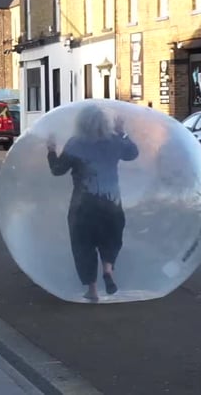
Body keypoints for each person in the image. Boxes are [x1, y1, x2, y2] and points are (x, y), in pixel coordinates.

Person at [46, 106, 139, 302]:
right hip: (111, 203)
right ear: (105, 123)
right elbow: (132, 153)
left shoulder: (75, 144)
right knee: (111, 239)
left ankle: (93, 290)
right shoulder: (114, 141)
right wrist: (121, 131)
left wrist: (51, 150)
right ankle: (107, 270)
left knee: (83, 245)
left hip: (83, 205)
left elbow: (57, 170)